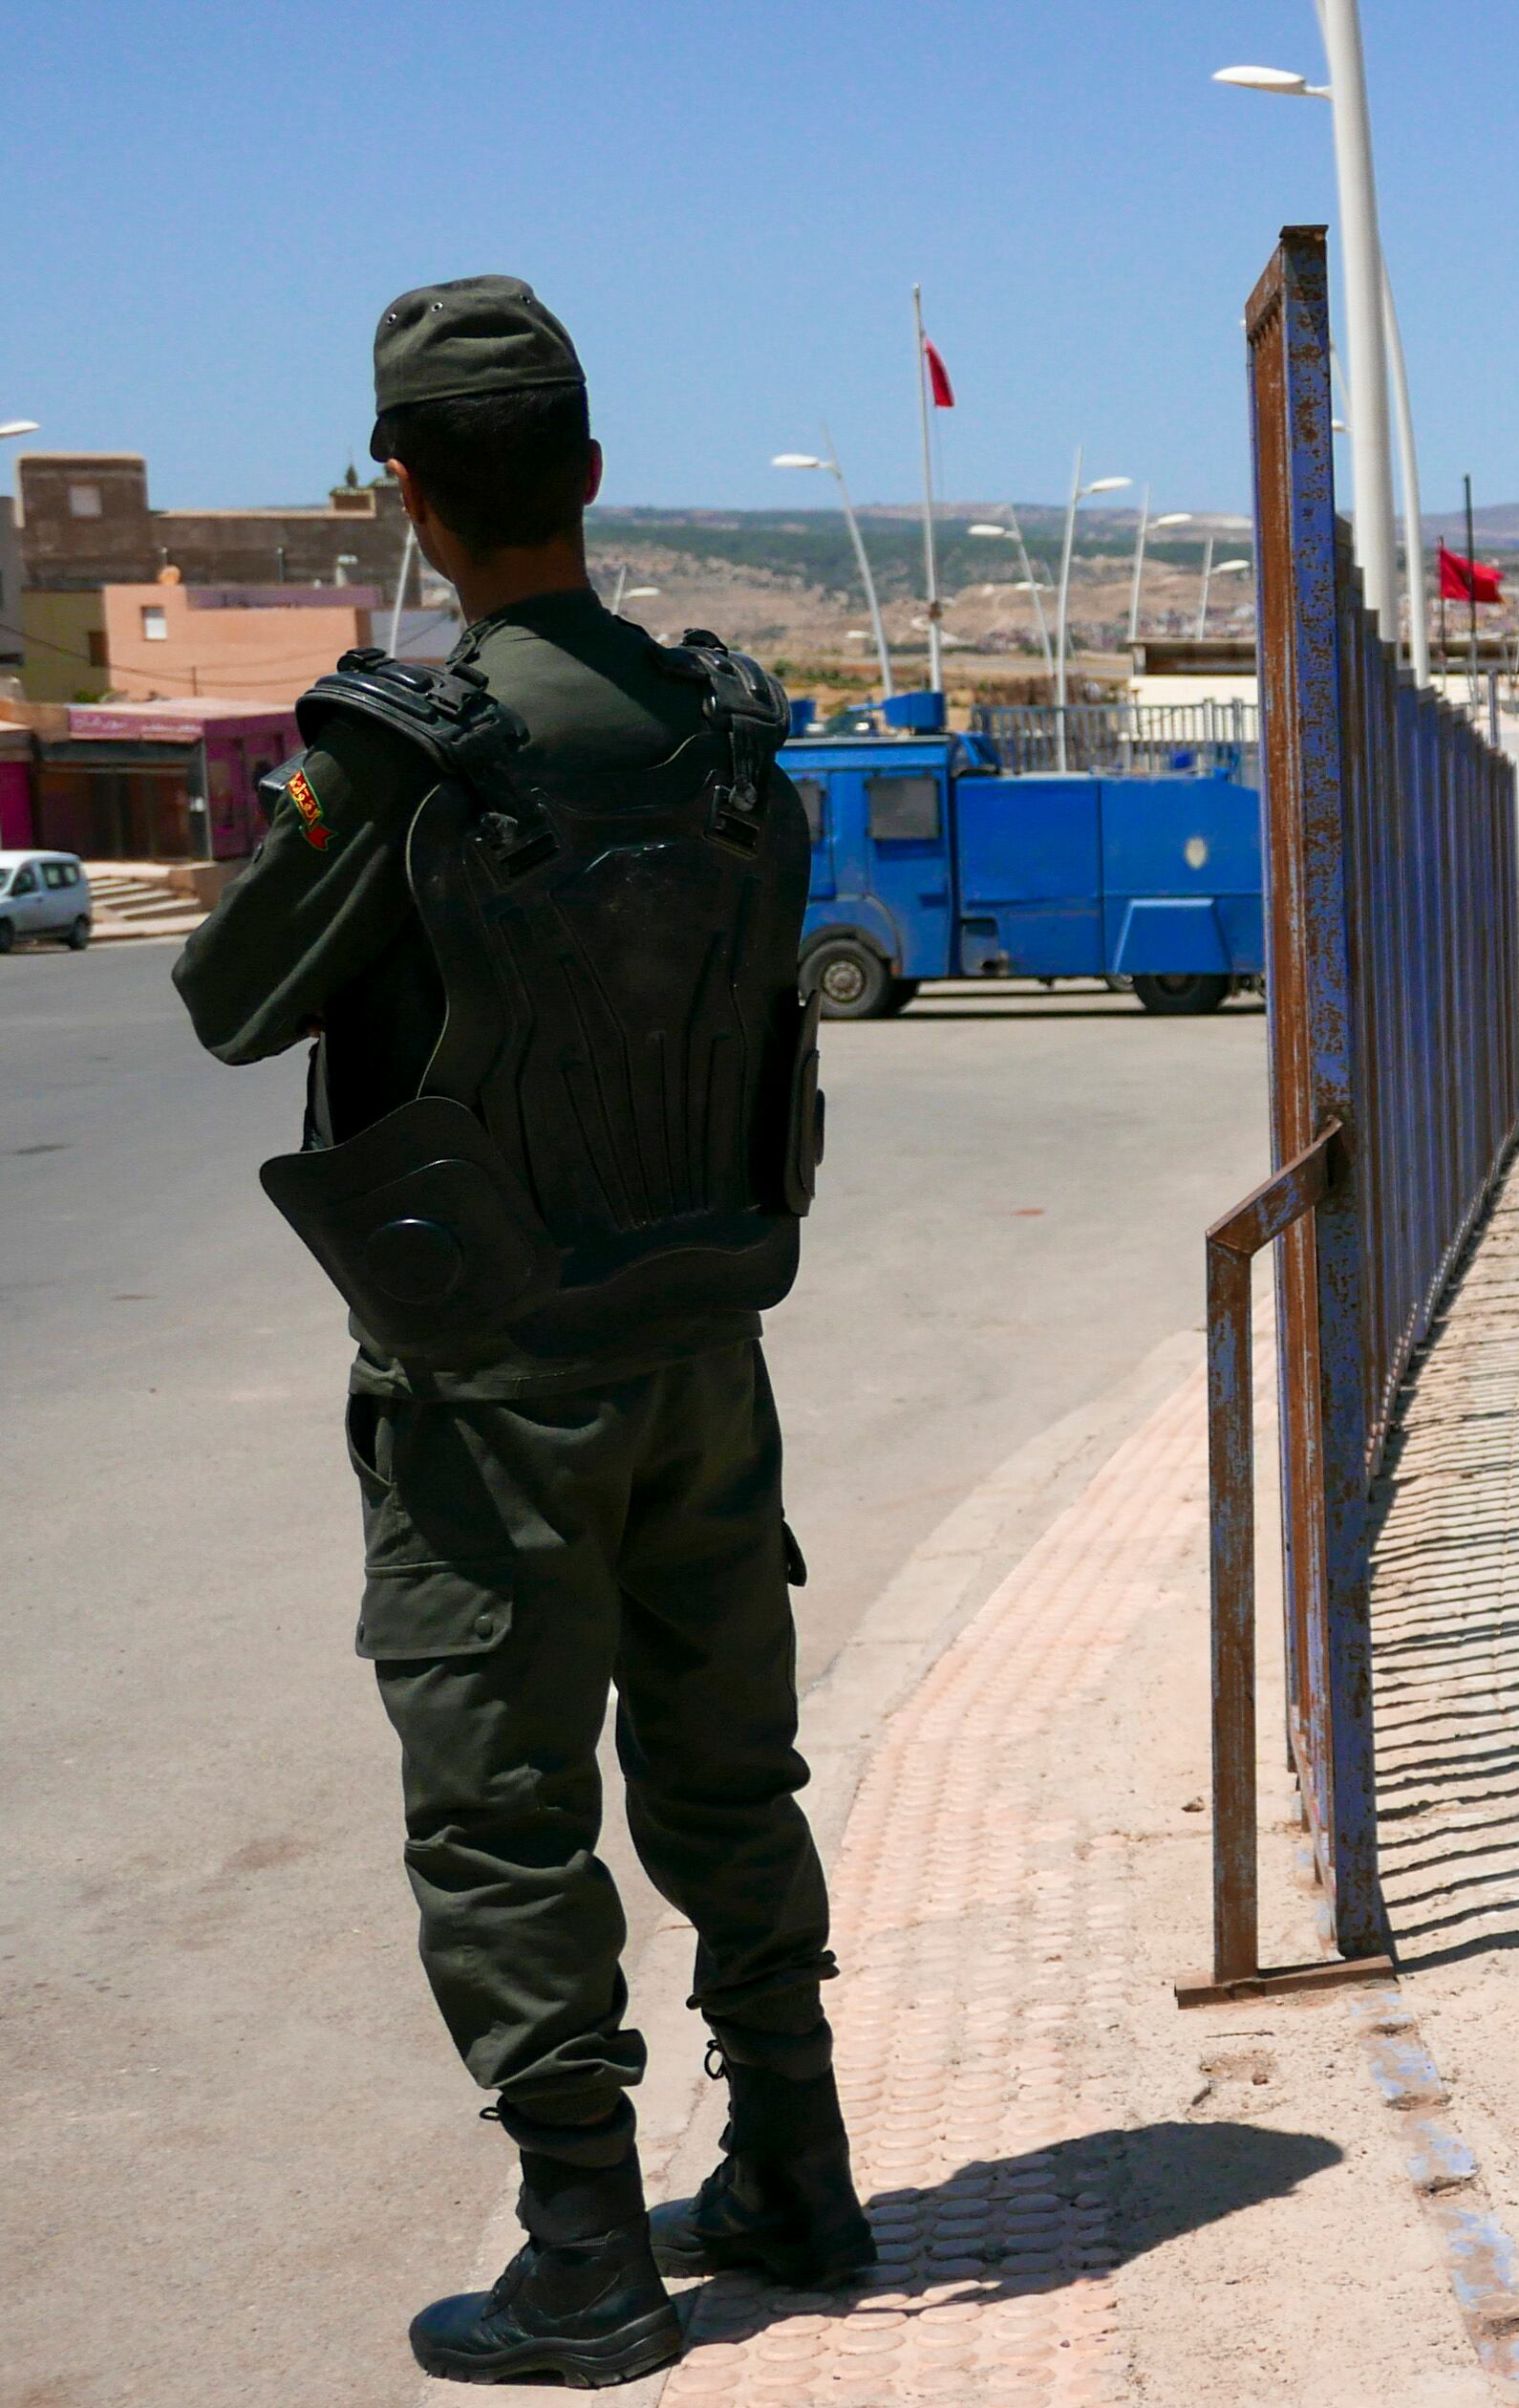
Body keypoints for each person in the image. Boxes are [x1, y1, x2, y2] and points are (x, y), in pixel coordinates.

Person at [176, 276, 868, 2387]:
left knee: (502, 1804)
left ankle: (585, 2249)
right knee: (729, 1758)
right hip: (699, 1341)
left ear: (408, 494)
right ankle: (796, 2171)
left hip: (493, 1382)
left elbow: (229, 1002)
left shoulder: (397, 751)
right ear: (584, 471)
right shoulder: (727, 727)